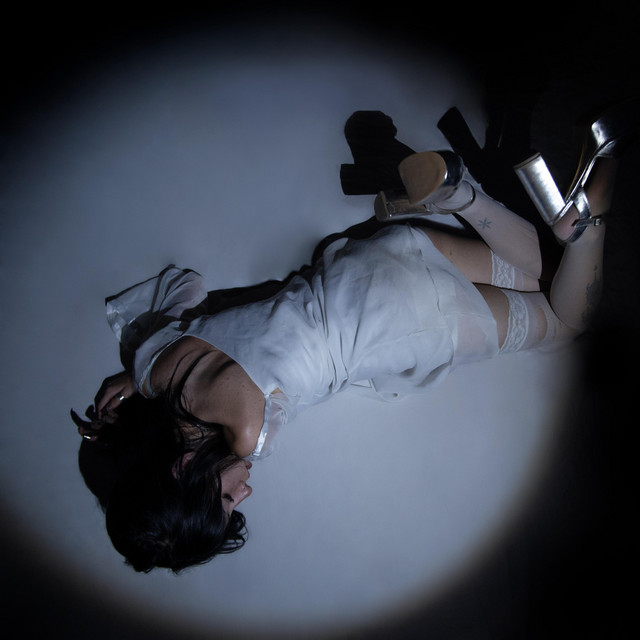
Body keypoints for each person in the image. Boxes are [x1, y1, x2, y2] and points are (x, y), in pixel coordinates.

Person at [73, 104, 634, 573]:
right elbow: (187, 284)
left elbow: (245, 416)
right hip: (361, 266)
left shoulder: (245, 437)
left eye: (224, 497)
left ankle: (586, 224)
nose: (244, 494)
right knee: (545, 271)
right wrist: (135, 378)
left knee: (567, 323)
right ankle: (459, 195)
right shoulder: (157, 364)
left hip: (405, 320)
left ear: (178, 470)